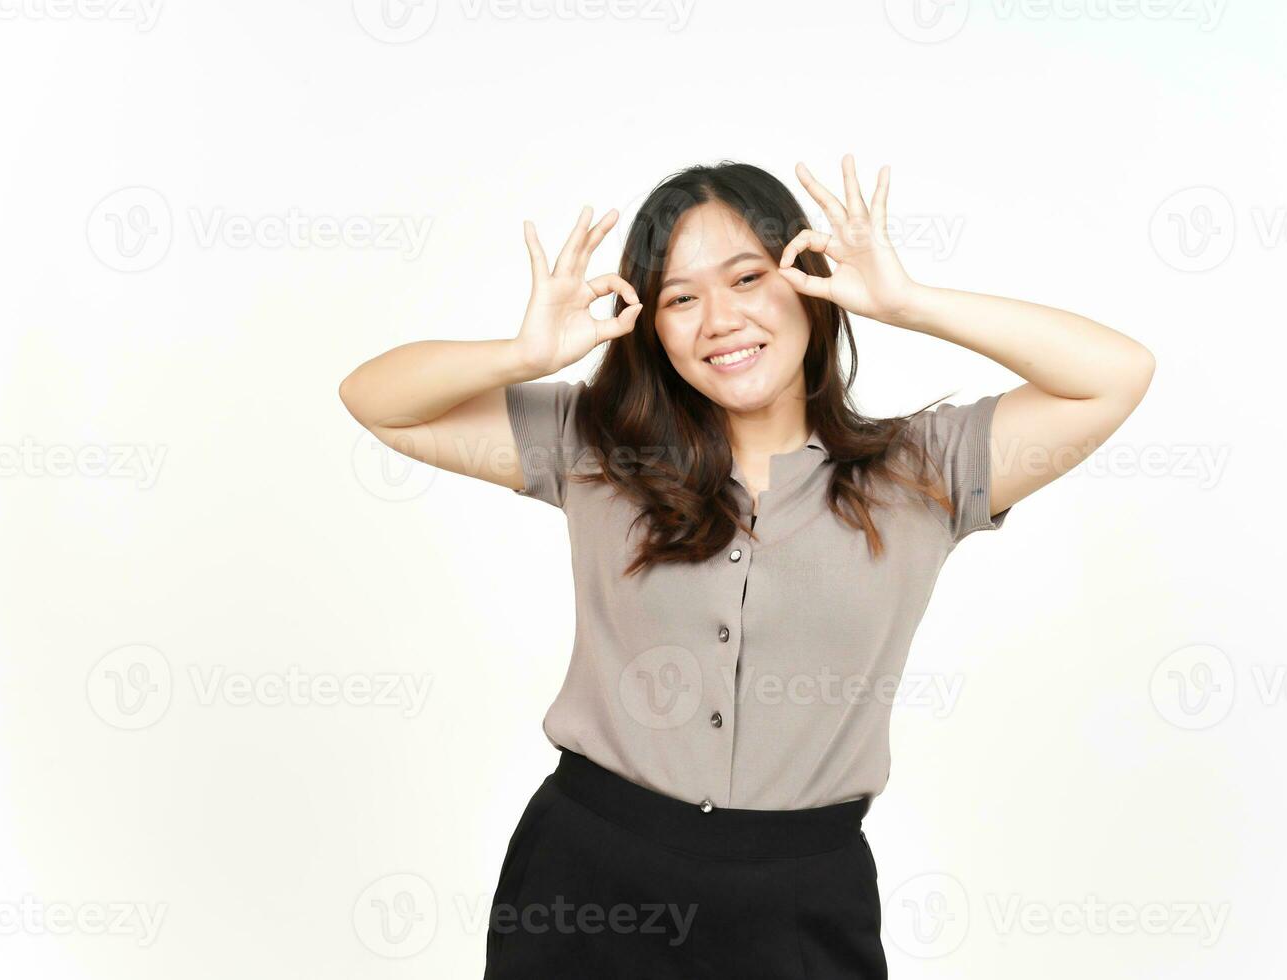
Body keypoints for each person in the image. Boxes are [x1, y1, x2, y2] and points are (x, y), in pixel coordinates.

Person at [337, 154, 1156, 978]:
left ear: (807, 285)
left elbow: (1114, 377)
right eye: (681, 299)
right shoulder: (596, 446)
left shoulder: (924, 470)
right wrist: (523, 354)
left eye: (746, 279)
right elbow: (378, 401)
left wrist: (911, 304)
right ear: (653, 330)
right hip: (585, 883)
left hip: (800, 902)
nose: (718, 320)